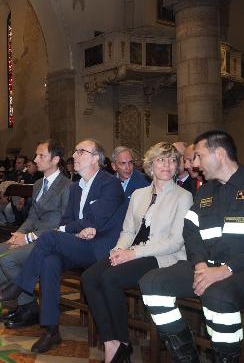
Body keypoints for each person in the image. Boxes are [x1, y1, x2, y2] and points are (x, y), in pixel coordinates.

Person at [0, 139, 126, 353]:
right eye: (74, 151)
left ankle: (19, 285)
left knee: (48, 237)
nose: (74, 155)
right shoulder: (76, 188)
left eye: (81, 151)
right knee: (49, 261)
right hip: (78, 244)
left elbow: (96, 220)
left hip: (100, 249)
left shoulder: (109, 183)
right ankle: (51, 331)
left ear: (96, 158)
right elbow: (67, 221)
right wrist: (74, 229)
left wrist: (71, 229)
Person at [81, 142, 193, 363]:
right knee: (90, 277)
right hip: (132, 251)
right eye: (161, 160)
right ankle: (110, 340)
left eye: (172, 160)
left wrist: (133, 253)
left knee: (110, 278)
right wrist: (118, 250)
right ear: (151, 165)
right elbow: (128, 230)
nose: (167, 165)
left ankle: (122, 342)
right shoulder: (139, 194)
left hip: (161, 257)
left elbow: (175, 241)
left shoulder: (183, 196)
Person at [140, 131, 244, 363]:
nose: (194, 164)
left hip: (238, 269)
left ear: (219, 154)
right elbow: (191, 230)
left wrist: (226, 270)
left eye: (198, 156)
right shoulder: (206, 191)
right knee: (151, 282)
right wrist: (199, 265)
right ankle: (186, 357)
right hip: (205, 266)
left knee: (218, 296)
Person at [0, 140, 72, 329]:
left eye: (41, 156)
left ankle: (28, 308)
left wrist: (28, 238)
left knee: (8, 260)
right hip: (30, 235)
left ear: (55, 159)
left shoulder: (67, 186)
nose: (36, 159)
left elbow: (63, 223)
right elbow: (32, 216)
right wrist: (19, 233)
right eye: (36, 155)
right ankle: (21, 304)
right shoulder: (38, 183)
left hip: (50, 240)